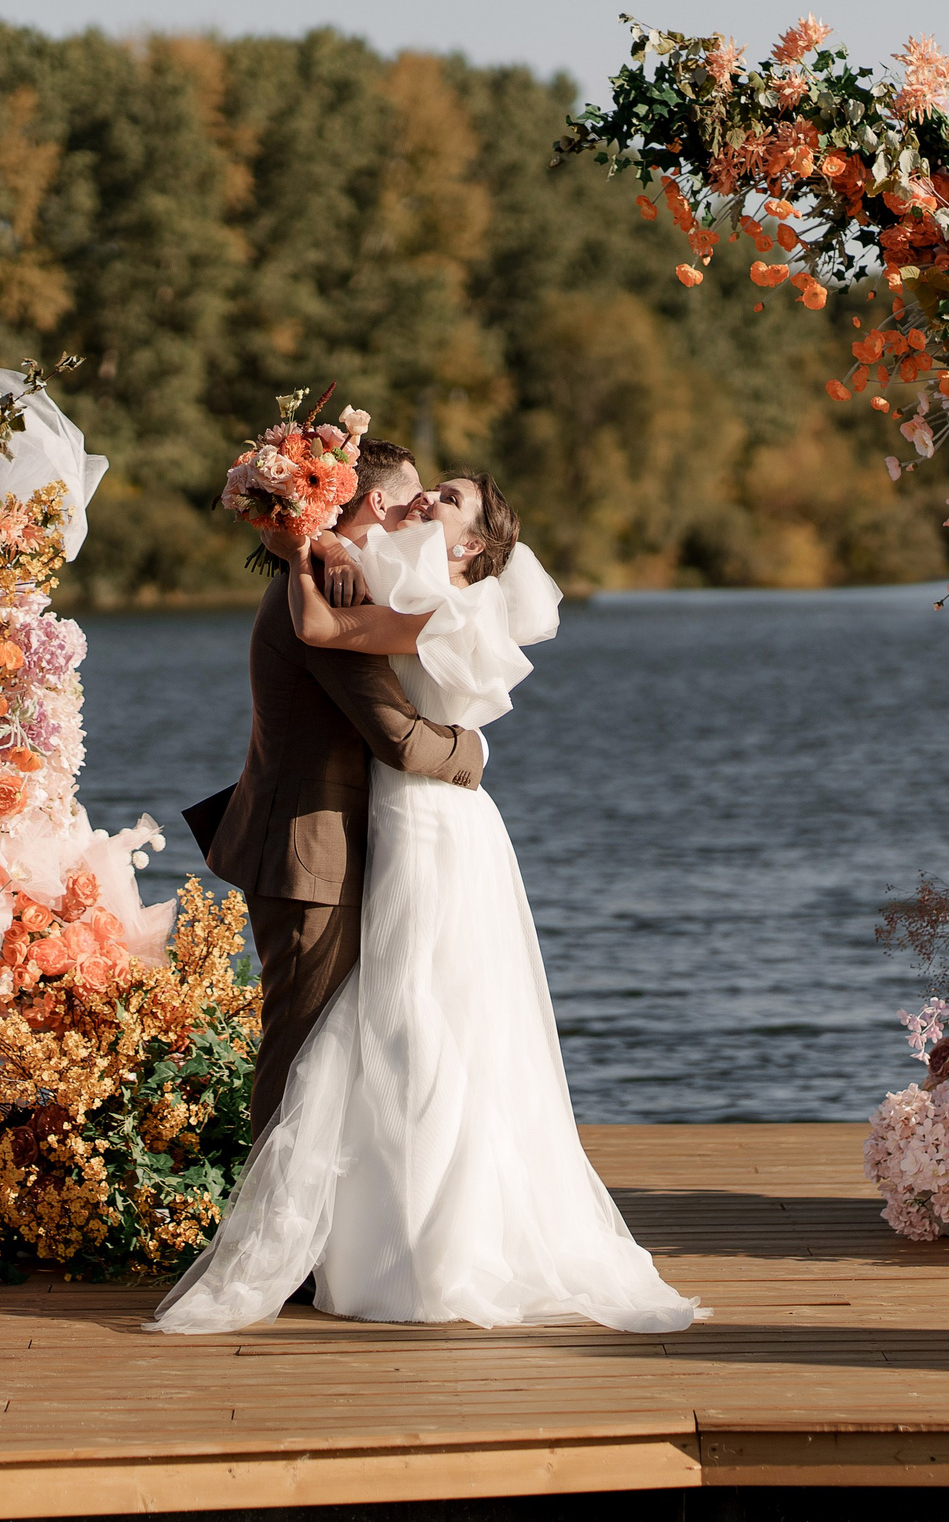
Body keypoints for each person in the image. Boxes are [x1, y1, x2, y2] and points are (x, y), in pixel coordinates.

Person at [155, 470, 703, 1334]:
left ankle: (375, 1240)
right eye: (412, 490)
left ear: (474, 546)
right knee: (360, 1031)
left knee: (414, 1023)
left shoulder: (437, 600)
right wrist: (301, 545)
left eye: (441, 499)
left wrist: (470, 753)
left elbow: (401, 733)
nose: (420, 503)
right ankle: (310, 1241)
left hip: (425, 821)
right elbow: (339, 652)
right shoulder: (371, 577)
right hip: (362, 828)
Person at [188, 440, 485, 1145]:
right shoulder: (326, 590)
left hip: (316, 846)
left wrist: (323, 545)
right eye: (412, 501)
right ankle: (274, 1247)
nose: (419, 514)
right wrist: (473, 748)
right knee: (299, 1052)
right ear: (374, 504)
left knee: (328, 1049)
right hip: (303, 852)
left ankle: (323, 1233)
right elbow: (397, 737)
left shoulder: (335, 572)